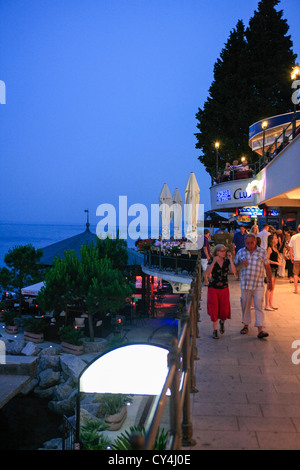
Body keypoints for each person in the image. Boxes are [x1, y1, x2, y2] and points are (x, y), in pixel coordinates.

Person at [234, 233, 273, 339]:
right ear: (245, 243)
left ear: (255, 242)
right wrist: (242, 264)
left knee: (258, 305)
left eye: (251, 242)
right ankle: (246, 325)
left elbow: (267, 267)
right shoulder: (241, 252)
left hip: (258, 283)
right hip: (245, 284)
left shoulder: (262, 252)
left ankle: (260, 328)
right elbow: (234, 268)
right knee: (245, 305)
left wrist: (270, 281)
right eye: (247, 243)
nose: (250, 245)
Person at [205, 244, 236, 339]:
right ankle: (215, 330)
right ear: (217, 252)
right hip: (213, 288)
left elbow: (233, 271)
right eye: (221, 251)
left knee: (224, 309)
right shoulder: (212, 260)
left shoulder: (226, 261)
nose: (224, 252)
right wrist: (213, 262)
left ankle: (222, 322)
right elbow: (206, 274)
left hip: (224, 288)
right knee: (214, 309)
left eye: (224, 251)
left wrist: (231, 259)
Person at [265, 233, 282, 310]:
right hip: (271, 269)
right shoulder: (269, 248)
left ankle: (271, 303)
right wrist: (276, 263)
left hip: (275, 269)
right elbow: (267, 260)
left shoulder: (275, 248)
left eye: (277, 238)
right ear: (271, 240)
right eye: (275, 238)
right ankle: (267, 305)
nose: (277, 239)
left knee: (272, 288)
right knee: (269, 287)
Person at [289, 224, 300, 294]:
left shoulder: (294, 237)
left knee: (295, 274)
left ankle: (296, 289)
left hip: (296, 258)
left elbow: (290, 247)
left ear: (298, 229)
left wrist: (291, 256)